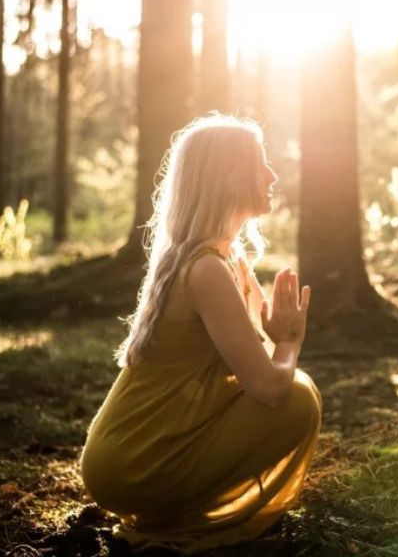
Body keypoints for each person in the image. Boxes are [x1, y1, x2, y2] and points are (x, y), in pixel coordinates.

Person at [80, 114, 321, 554]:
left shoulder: (227, 262)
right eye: (259, 161)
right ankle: (177, 522)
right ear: (226, 176)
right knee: (298, 398)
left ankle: (175, 513)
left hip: (133, 452)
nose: (271, 174)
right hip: (131, 460)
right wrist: (289, 341)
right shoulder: (207, 269)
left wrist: (273, 339)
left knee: (297, 391)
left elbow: (254, 372)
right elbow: (269, 387)